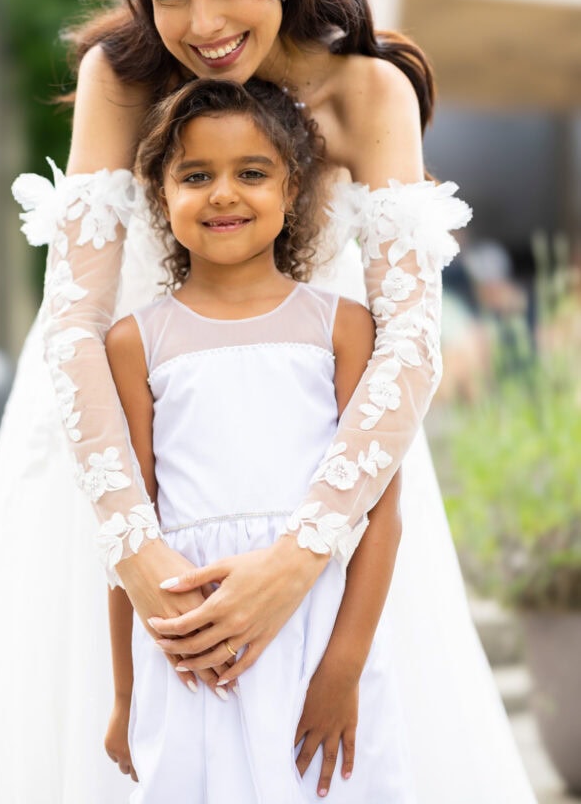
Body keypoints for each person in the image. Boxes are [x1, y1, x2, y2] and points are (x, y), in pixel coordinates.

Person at [0, 0, 535, 803]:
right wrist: (136, 549)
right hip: (117, 456)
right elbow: (73, 328)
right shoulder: (124, 78)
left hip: (317, 470)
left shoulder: (368, 92)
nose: (199, 23)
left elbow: (407, 343)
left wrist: (303, 554)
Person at [104, 76, 409, 801]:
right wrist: (123, 695)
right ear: (160, 195)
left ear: (292, 186)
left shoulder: (342, 327)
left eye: (251, 172)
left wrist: (342, 668)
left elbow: (379, 517)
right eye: (195, 175)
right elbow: (125, 530)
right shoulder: (133, 341)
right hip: (192, 646)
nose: (222, 194)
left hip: (314, 630)